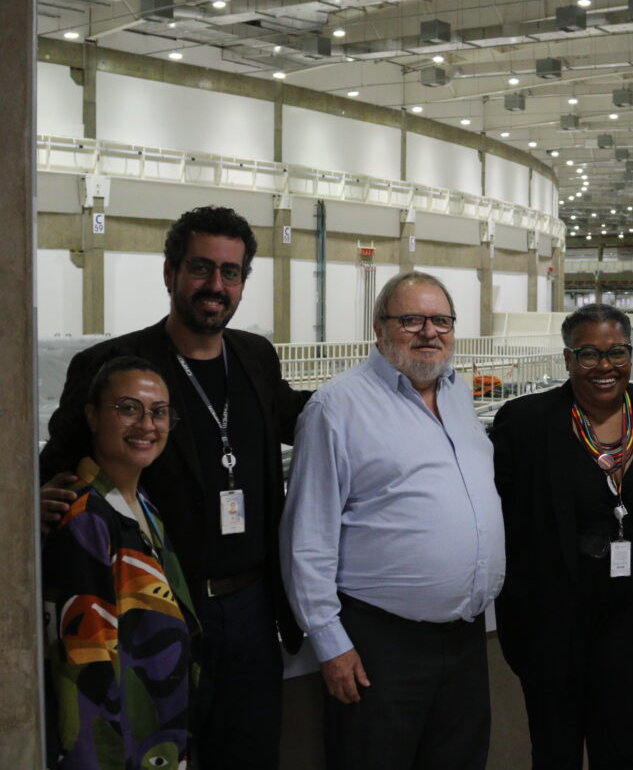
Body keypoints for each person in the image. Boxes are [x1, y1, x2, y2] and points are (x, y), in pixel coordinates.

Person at [40, 205, 308, 770]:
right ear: (170, 273)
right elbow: (57, 467)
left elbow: (305, 419)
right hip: (155, 614)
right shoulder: (112, 365)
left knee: (251, 755)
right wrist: (29, 506)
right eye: (201, 268)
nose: (216, 285)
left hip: (253, 608)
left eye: (231, 273)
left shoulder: (255, 357)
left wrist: (395, 387)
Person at [281, 271, 505, 770]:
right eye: (412, 320)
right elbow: (307, 537)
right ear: (379, 329)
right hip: (380, 646)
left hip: (464, 640)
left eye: (442, 320)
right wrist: (331, 644)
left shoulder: (458, 392)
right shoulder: (336, 407)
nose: (430, 332)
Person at [490, 304, 633, 770]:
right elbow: (500, 515)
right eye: (589, 354)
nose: (605, 366)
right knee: (556, 748)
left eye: (617, 352)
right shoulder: (527, 420)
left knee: (625, 747)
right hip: (554, 615)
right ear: (568, 358)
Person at [44, 356, 198, 769]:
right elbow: (85, 668)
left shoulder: (141, 504)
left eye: (159, 412)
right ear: (92, 416)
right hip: (116, 746)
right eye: (128, 408)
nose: (147, 425)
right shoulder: (85, 514)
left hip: (154, 732)